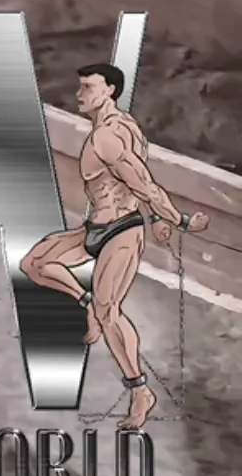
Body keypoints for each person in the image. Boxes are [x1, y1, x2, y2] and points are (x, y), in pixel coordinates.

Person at [19, 62, 206, 433]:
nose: (80, 94)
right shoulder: (119, 127)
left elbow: (143, 184)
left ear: (110, 91)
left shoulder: (109, 136)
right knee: (36, 263)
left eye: (88, 87)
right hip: (96, 227)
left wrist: (178, 219)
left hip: (121, 232)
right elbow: (130, 181)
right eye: (80, 86)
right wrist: (158, 218)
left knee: (109, 312)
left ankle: (140, 392)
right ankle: (85, 301)